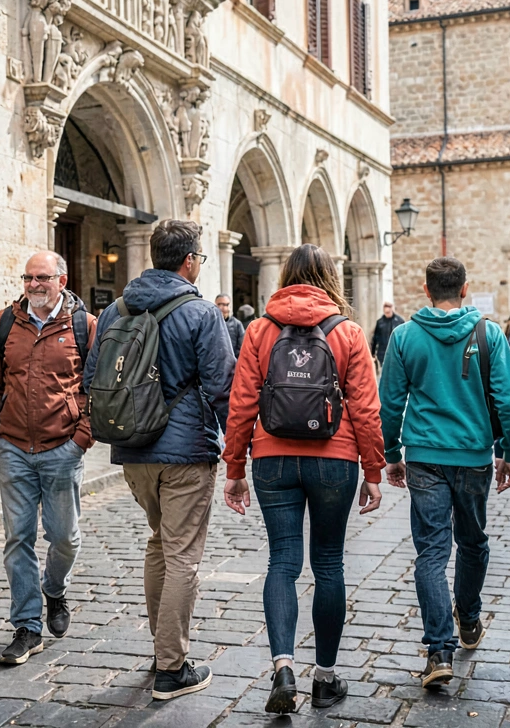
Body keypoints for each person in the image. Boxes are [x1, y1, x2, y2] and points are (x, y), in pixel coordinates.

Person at [222, 244, 385, 713]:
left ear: (286, 276)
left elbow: (242, 404)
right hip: (334, 458)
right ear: (331, 278)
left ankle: (283, 670)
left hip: (272, 457)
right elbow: (366, 410)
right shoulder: (348, 331)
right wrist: (372, 471)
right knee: (329, 564)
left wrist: (235, 469)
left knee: (282, 563)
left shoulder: (259, 329)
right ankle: (326, 678)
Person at [84, 220, 235, 700]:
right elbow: (222, 387)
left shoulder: (114, 311)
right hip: (186, 452)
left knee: (158, 544)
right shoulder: (200, 312)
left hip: (133, 450)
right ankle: (172, 668)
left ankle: (161, 649)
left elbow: (94, 377)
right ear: (189, 260)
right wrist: (239, 451)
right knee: (183, 554)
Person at [379, 257, 510, 688]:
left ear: (426, 290)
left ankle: (438, 650)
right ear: (464, 289)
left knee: (431, 552)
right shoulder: (489, 333)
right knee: (473, 541)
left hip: (424, 456)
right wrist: (509, 451)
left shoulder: (405, 336)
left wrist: (391, 452)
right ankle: (470, 618)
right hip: (475, 456)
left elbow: (389, 403)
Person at [0, 252, 97, 665]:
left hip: (63, 447)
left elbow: (98, 386)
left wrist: (82, 435)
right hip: (13, 446)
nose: (33, 284)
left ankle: (55, 589)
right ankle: (26, 626)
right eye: (27, 277)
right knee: (17, 538)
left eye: (42, 277)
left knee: (64, 537)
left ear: (62, 279)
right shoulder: (6, 322)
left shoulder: (84, 325)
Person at [214, 293, 244, 359]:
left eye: (226, 305)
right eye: (219, 304)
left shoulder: (237, 324)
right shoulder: (209, 323)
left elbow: (242, 347)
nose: (222, 308)